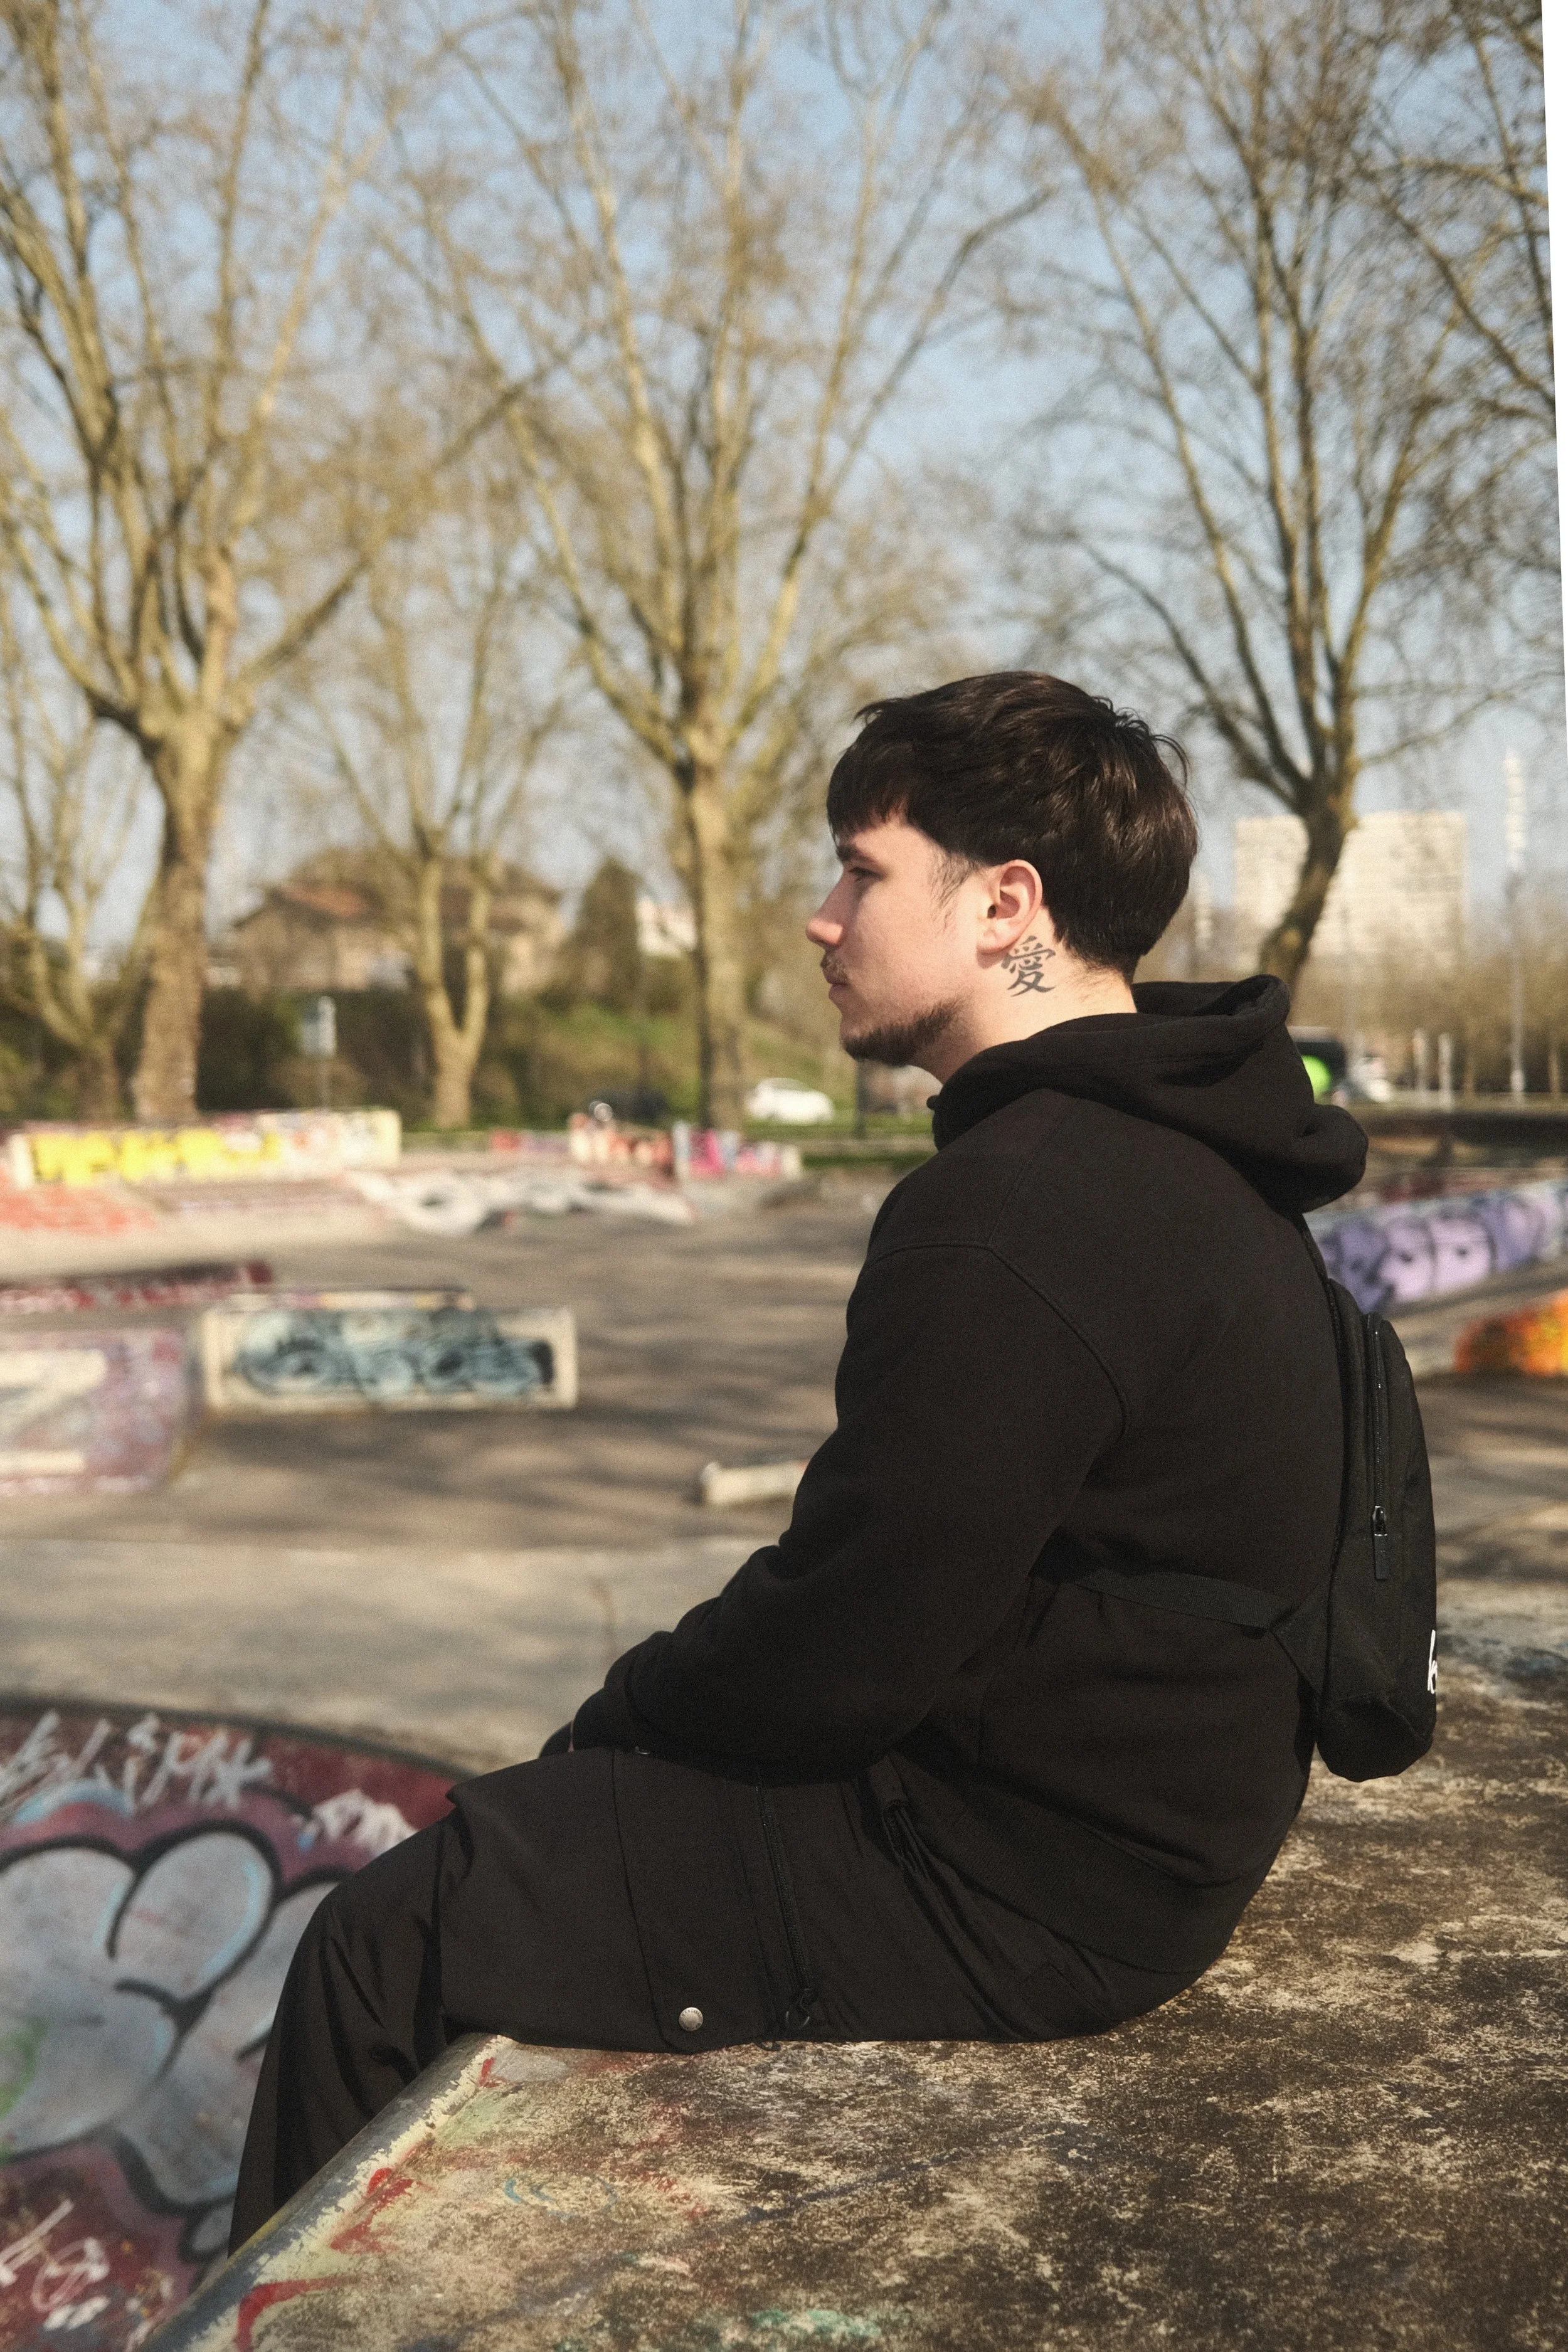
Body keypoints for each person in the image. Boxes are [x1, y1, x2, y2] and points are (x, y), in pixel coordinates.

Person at [231, 670, 1365, 2247]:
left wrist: (607, 1727)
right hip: (1144, 1822)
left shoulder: (1019, 1207)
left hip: (1024, 1878)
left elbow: (844, 1640)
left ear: (1003, 906)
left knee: (388, 1936)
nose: (821, 919)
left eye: (862, 870)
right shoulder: (1192, 1153)